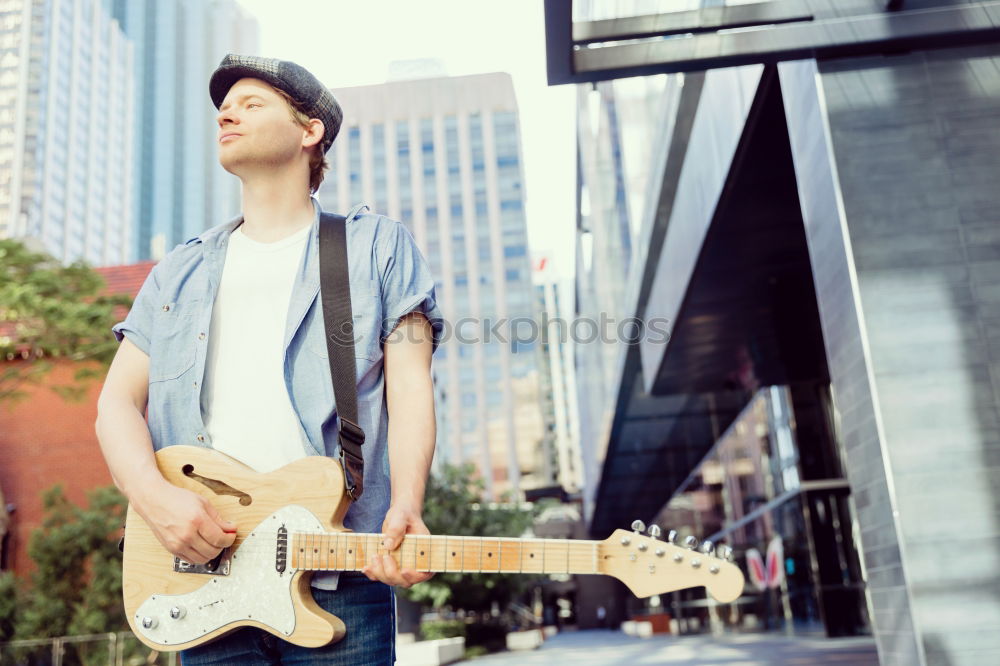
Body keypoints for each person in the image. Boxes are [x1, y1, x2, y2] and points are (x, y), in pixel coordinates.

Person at [94, 53, 444, 665]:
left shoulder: (377, 247)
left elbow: (410, 388)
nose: (227, 113)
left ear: (310, 132)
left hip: (342, 573)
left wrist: (406, 504)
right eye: (224, 108)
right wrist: (153, 498)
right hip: (202, 576)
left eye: (252, 103)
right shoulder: (178, 270)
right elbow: (115, 404)